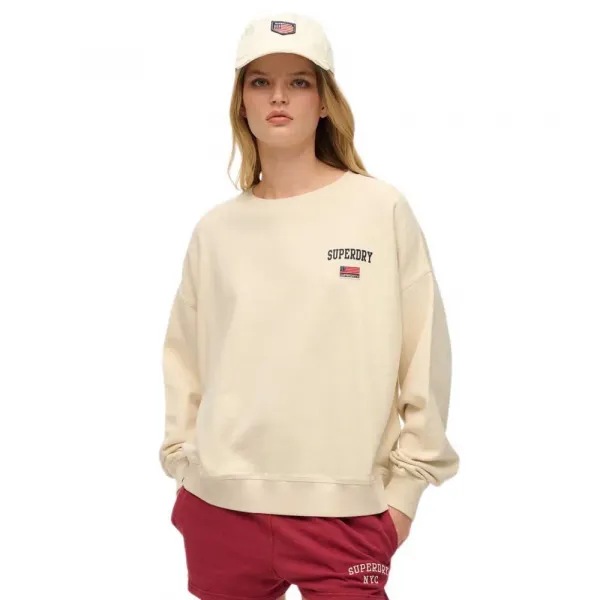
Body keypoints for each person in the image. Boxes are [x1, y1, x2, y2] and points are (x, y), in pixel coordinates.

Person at [159, 11, 459, 600]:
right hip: (220, 510)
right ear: (241, 102)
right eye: (260, 81)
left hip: (347, 516)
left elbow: (425, 355)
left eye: (298, 81)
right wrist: (185, 472)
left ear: (324, 101)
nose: (278, 97)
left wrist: (403, 497)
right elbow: (184, 362)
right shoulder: (215, 230)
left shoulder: (379, 210)